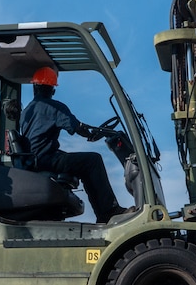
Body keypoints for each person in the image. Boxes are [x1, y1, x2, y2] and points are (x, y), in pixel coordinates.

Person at [19, 66, 128, 223]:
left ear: (34, 87)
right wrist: (90, 133)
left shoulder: (27, 110)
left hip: (35, 159)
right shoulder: (54, 107)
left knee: (80, 162)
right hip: (46, 159)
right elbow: (77, 126)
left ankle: (104, 213)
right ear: (52, 90)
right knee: (92, 160)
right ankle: (108, 211)